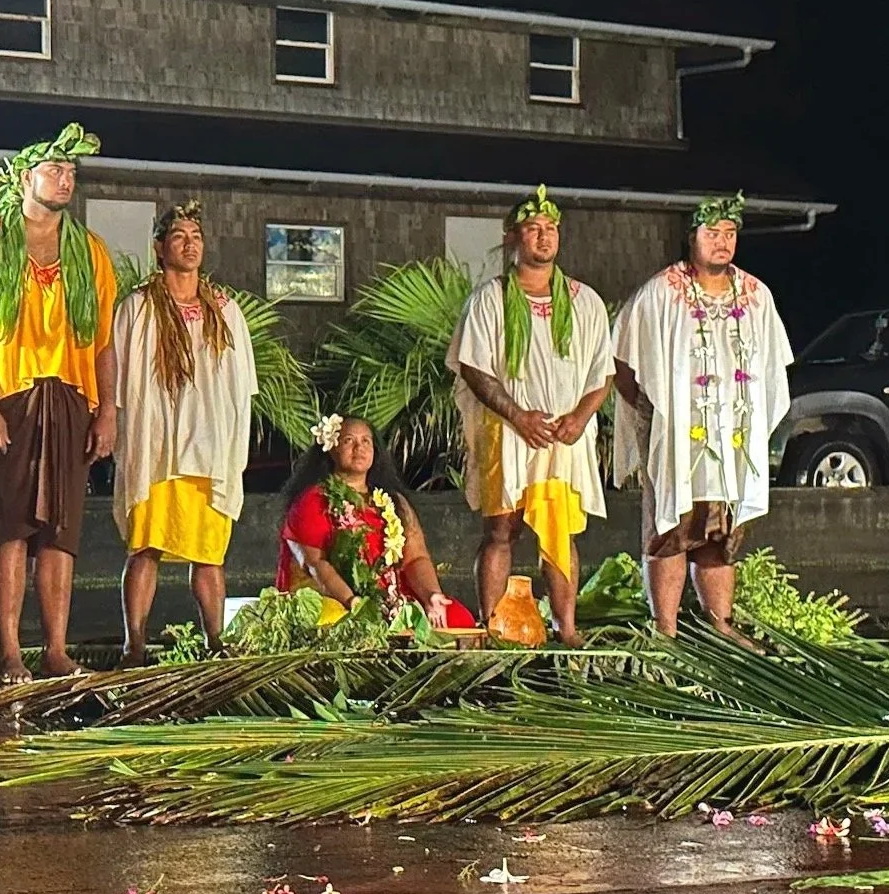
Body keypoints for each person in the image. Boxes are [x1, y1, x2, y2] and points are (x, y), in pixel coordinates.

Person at [0, 123, 118, 685]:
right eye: (56, 170)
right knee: (11, 529)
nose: (66, 179)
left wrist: (108, 410)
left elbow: (103, 342)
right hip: (13, 399)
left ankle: (55, 649)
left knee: (60, 531)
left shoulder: (88, 251)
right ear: (26, 177)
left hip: (69, 397)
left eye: (72, 172)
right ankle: (10, 652)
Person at [611, 192, 793, 643]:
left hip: (732, 441)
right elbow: (620, 359)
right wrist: (650, 418)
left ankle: (720, 625)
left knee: (721, 534)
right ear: (691, 237)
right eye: (712, 233)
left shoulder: (756, 296)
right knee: (671, 530)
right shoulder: (661, 293)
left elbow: (773, 368)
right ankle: (665, 630)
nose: (723, 242)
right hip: (677, 440)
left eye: (730, 234)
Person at [447, 185, 613, 646]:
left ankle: (567, 627)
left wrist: (579, 418)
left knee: (560, 531)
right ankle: (492, 625)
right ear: (513, 238)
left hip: (564, 435)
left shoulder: (586, 301)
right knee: (502, 528)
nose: (544, 237)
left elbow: (602, 372)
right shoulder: (490, 299)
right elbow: (475, 368)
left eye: (551, 229)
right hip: (508, 430)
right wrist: (519, 416)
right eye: (533, 228)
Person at [113, 200, 257, 664]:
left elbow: (241, 387)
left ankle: (217, 643)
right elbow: (118, 379)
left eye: (196, 236)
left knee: (209, 554)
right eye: (179, 236)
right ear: (159, 247)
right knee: (146, 548)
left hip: (208, 448)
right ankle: (134, 643)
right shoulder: (137, 307)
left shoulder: (225, 311)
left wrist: (232, 445)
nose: (189, 244)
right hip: (156, 447)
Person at [277, 414, 477, 632]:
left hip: (390, 600)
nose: (359, 447)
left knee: (458, 618)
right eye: (348, 441)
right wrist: (354, 603)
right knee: (335, 624)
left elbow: (415, 558)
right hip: (337, 599)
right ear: (331, 448)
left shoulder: (394, 502)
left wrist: (431, 595)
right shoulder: (312, 501)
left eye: (366, 441)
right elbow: (316, 564)